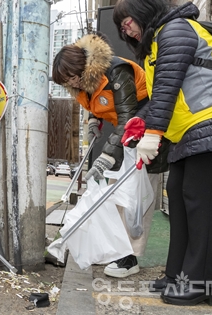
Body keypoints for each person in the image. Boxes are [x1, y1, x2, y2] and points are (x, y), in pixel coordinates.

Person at [113, 0, 212, 306]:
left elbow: (169, 88)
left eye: (126, 19)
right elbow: (162, 96)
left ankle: (202, 285)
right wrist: (141, 124)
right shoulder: (159, 41)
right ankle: (178, 276)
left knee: (201, 204)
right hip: (191, 130)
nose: (124, 28)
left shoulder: (175, 31)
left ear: (144, 10)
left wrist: (154, 135)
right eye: (120, 25)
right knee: (180, 196)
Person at [52, 32, 169, 278]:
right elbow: (104, 104)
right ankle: (116, 250)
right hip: (124, 140)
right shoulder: (86, 82)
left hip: (145, 136)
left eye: (72, 77)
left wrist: (106, 156)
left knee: (137, 202)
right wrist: (95, 119)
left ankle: (130, 258)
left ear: (82, 67)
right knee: (116, 199)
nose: (71, 84)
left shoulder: (117, 72)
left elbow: (128, 116)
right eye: (66, 81)